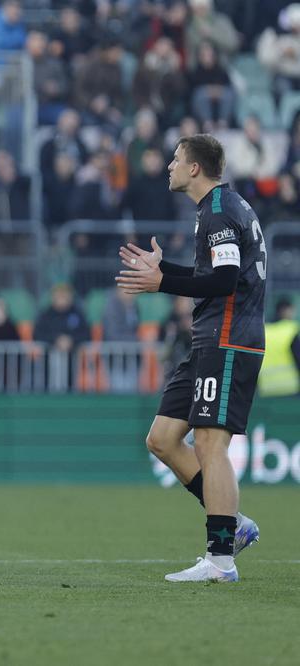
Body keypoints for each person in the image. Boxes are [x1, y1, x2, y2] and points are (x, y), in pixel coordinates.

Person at [116, 134, 266, 582]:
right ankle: (232, 522)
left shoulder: (219, 211)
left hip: (227, 337)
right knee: (162, 438)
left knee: (209, 443)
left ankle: (221, 559)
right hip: (208, 337)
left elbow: (222, 282)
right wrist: (164, 272)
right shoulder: (217, 209)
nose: (169, 166)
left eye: (176, 159)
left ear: (195, 168)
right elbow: (218, 273)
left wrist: (162, 284)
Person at [257, 298, 300, 397]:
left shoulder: (265, 331)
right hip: (290, 388)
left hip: (266, 389)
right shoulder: (292, 329)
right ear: (285, 310)